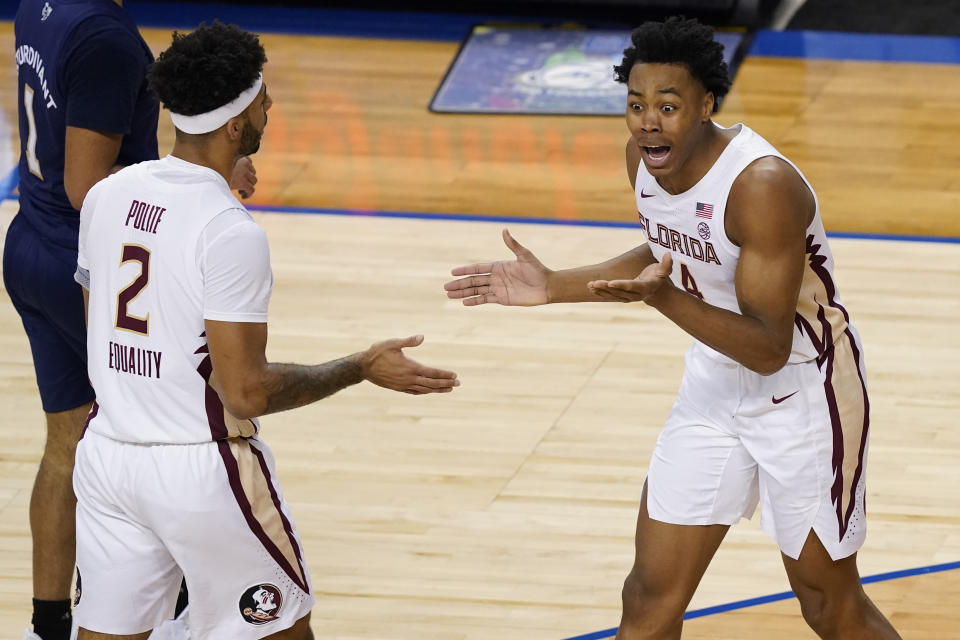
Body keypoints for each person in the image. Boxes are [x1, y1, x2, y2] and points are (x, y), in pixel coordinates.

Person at [444, 17, 901, 640]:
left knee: (828, 605)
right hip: (713, 386)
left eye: (667, 105)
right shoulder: (643, 161)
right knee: (649, 598)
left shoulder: (762, 185)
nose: (647, 122)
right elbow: (669, 253)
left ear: (707, 104)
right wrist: (554, 286)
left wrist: (663, 302)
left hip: (805, 391)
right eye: (636, 105)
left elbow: (767, 346)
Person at [71, 21, 458, 639]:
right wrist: (358, 367)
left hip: (107, 458)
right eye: (262, 98)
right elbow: (245, 393)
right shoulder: (230, 232)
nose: (271, 105)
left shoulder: (107, 195)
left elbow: (98, 327)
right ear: (234, 124)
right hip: (200, 469)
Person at [8, 3, 255, 637]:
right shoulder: (106, 38)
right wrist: (200, 173)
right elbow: (87, 186)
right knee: (153, 439)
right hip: (88, 260)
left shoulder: (47, 7)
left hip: (31, 240)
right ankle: (144, 609)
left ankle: (50, 623)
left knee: (69, 441)